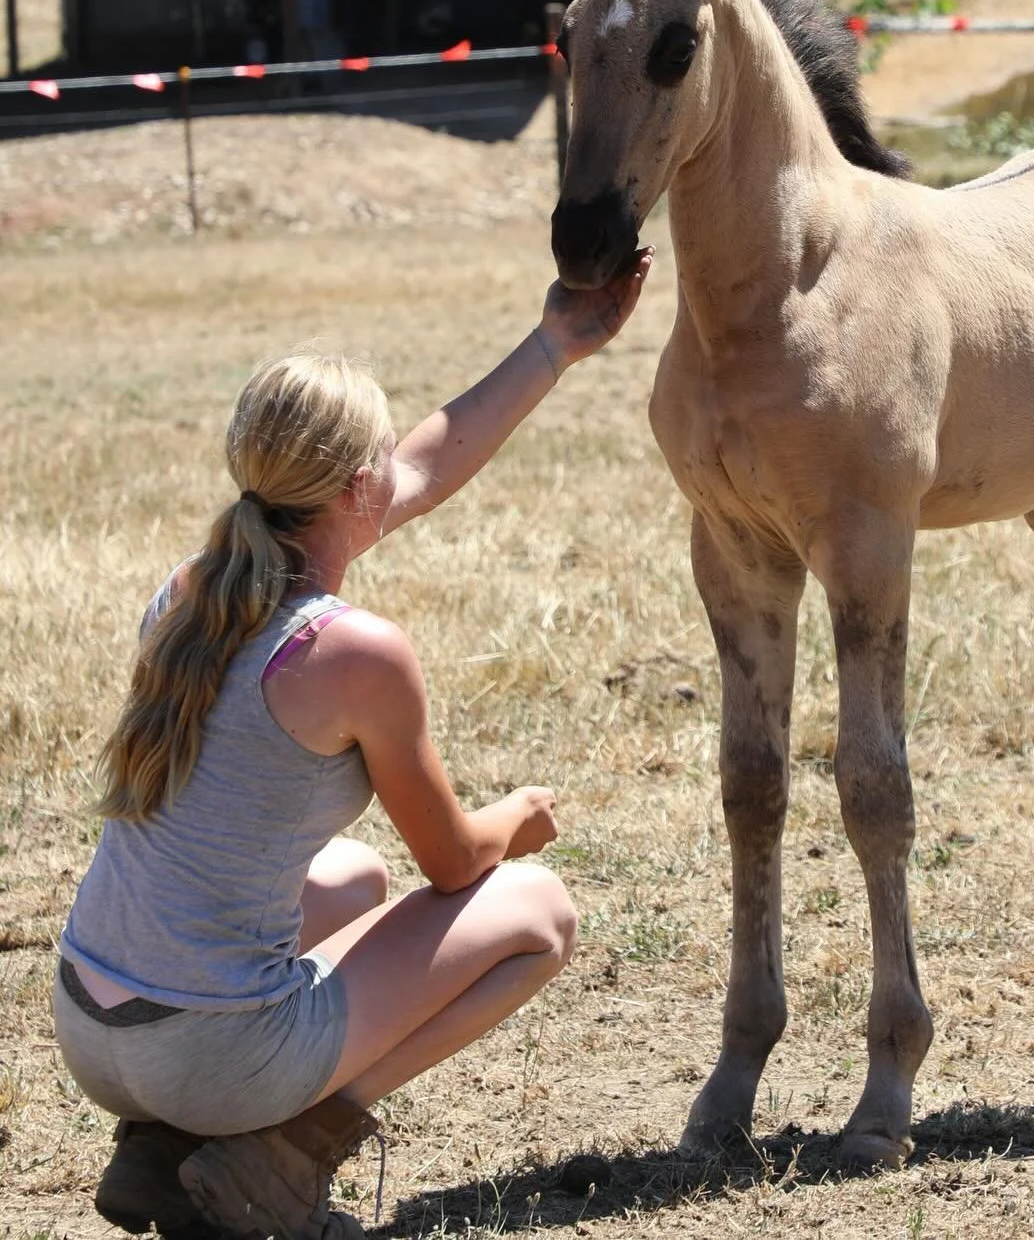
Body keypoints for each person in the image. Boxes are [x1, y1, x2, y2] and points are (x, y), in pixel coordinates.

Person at [54, 251, 651, 1240]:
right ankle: (275, 1160)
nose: (399, 466)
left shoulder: (194, 586)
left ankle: (158, 1150)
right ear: (356, 484)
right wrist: (520, 814)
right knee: (536, 911)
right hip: (209, 1057)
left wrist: (557, 343)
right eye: (384, 454)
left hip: (91, 1024)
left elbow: (422, 462)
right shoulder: (355, 651)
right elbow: (457, 859)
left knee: (352, 875)